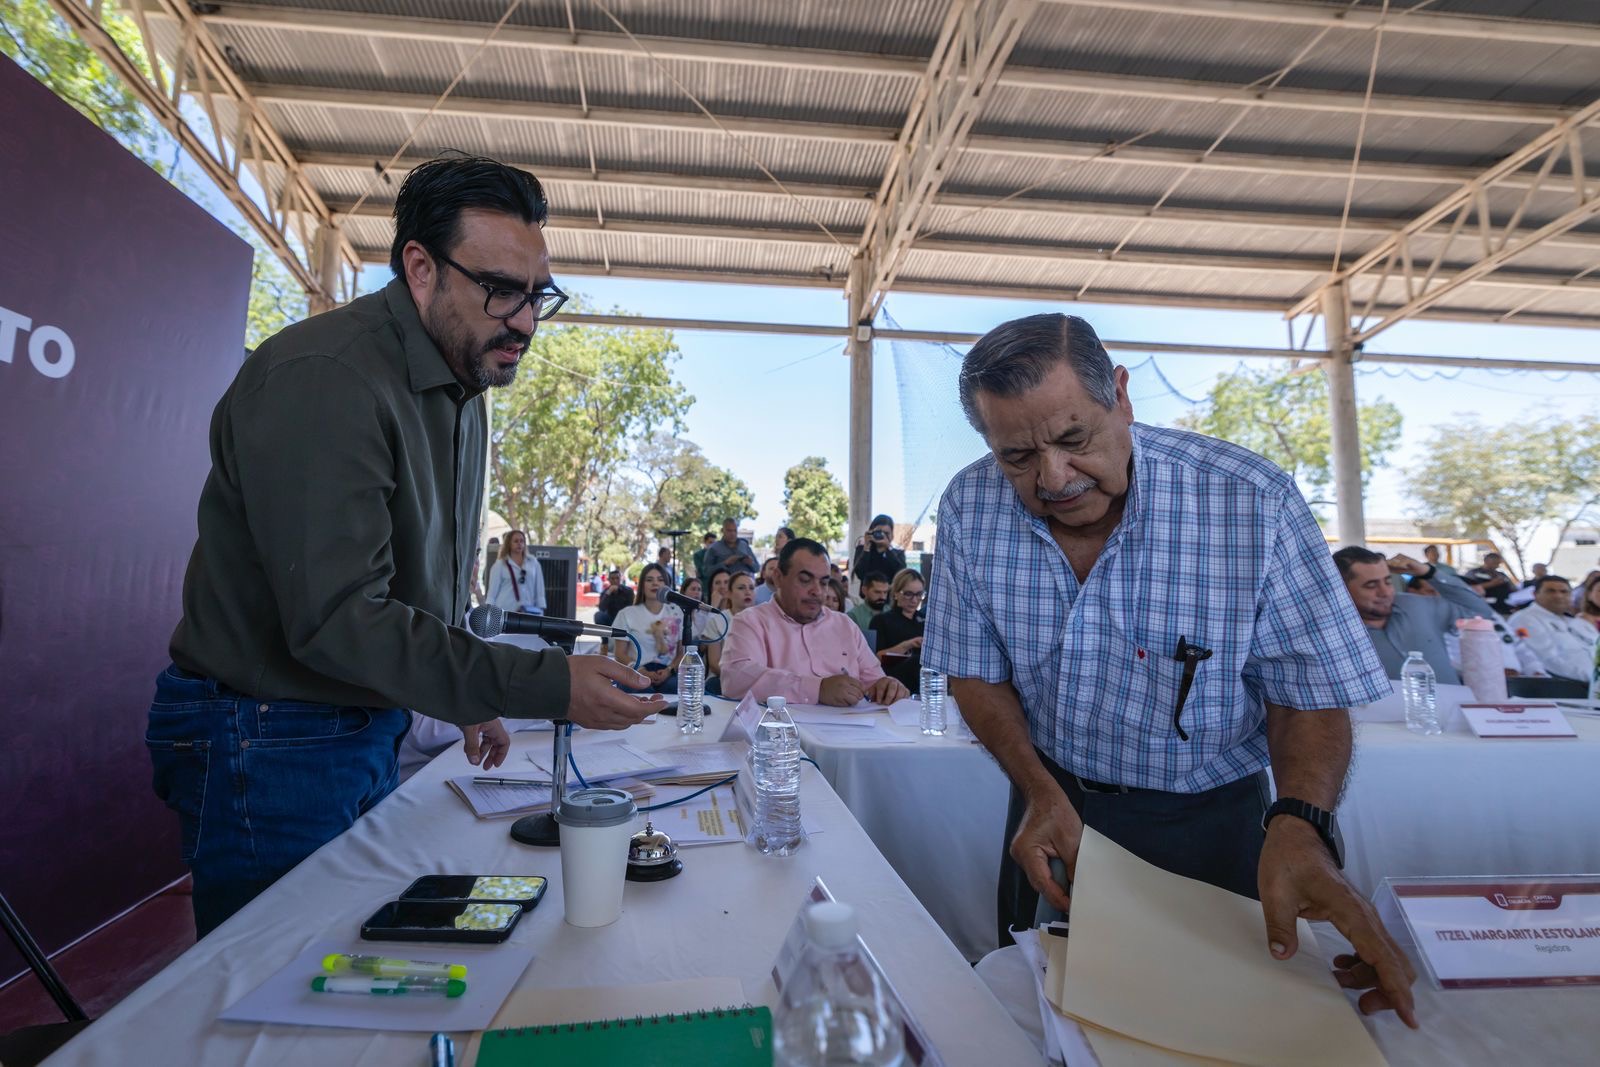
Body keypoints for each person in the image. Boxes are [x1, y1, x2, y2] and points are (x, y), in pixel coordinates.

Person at [150, 156, 661, 937]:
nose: (523, 321)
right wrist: (542, 684)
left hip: (348, 726)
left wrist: (466, 691)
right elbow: (340, 617)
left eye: (537, 295)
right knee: (283, 1003)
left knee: (347, 979)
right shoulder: (329, 376)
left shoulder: (462, 383)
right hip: (270, 736)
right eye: (500, 289)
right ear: (420, 268)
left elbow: (421, 587)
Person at [921, 312, 1416, 1026]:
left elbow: (1305, 692)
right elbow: (974, 671)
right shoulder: (970, 506)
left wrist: (1301, 822)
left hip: (1209, 819)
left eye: (1073, 439)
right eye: (1017, 456)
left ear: (1121, 396)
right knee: (1058, 1019)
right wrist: (1036, 787)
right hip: (1053, 805)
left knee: (1222, 1021)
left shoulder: (1249, 501)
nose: (1053, 478)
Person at [722, 539, 909, 707]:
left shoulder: (844, 625)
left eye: (824, 582)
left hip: (851, 738)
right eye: (805, 580)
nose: (817, 591)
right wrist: (816, 689)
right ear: (778, 577)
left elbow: (875, 681)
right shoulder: (750, 622)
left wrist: (888, 687)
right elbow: (736, 680)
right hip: (782, 740)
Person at [1335, 548, 1495, 684]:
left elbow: (1479, 612)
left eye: (1388, 582)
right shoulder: (1331, 636)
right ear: (1340, 589)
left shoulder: (1416, 606)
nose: (1385, 592)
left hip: (1454, 716)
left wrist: (1428, 572)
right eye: (1371, 586)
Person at [1508, 576, 1599, 682]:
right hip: (1562, 687)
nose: (1558, 596)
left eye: (1564, 592)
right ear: (1535, 594)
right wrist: (1594, 679)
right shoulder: (1525, 619)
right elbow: (1547, 660)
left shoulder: (1571, 621)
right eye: (1550, 591)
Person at [612, 562, 684, 693]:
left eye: (660, 580)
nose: (655, 584)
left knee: (676, 689)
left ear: (666, 585)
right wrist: (640, 670)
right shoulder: (627, 614)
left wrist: (669, 670)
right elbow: (619, 654)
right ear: (642, 585)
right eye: (649, 580)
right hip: (636, 670)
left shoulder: (676, 612)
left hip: (667, 671)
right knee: (639, 690)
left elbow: (681, 652)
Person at [870, 568, 926, 694]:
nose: (914, 600)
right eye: (908, 594)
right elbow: (876, 658)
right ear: (896, 594)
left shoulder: (925, 621)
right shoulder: (882, 620)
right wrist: (908, 645)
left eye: (919, 595)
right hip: (894, 679)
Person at [485, 529, 546, 615]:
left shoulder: (533, 563)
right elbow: (492, 592)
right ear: (509, 544)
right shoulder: (500, 565)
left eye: (522, 541)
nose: (519, 544)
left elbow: (539, 589)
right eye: (516, 541)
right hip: (505, 611)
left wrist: (540, 610)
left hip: (528, 612)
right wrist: (489, 612)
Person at [851, 513, 906, 595]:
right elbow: (860, 573)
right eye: (879, 532)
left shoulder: (898, 554)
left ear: (892, 536)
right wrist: (866, 547)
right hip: (868, 599)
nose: (883, 536)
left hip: (890, 598)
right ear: (871, 532)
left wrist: (888, 549)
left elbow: (901, 574)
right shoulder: (864, 550)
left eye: (886, 533)